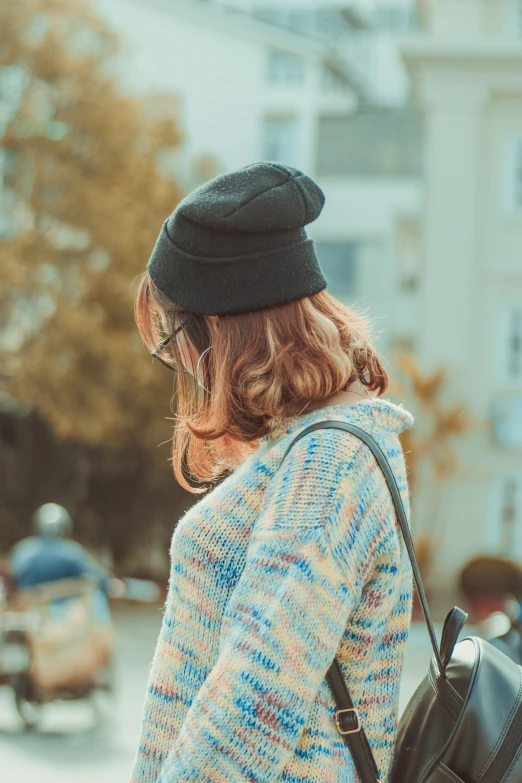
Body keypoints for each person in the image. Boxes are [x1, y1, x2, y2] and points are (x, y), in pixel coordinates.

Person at [130, 162, 415, 783]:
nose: (178, 361)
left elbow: (253, 705)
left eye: (175, 336)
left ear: (222, 331)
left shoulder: (330, 464)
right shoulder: (313, 448)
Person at [9, 503, 110, 594]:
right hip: (66, 610)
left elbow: (10, 577)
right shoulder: (71, 552)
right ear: (64, 527)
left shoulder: (22, 550)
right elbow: (99, 578)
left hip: (28, 609)